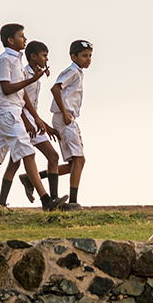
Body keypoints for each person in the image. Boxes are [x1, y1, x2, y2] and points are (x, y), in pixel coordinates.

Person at [0, 24, 68, 213]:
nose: (25, 39)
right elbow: (6, 89)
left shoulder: (17, 62)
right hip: (7, 111)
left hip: (11, 111)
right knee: (27, 153)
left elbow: (23, 95)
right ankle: (46, 200)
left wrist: (36, 116)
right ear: (10, 41)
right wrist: (32, 79)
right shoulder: (5, 60)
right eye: (21, 36)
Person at [0, 41, 72, 210]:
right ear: (33, 57)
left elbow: (31, 107)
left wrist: (43, 123)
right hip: (23, 123)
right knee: (15, 162)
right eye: (44, 55)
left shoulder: (36, 76)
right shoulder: (24, 74)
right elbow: (19, 101)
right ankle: (2, 203)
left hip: (32, 123)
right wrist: (29, 122)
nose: (46, 59)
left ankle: (53, 199)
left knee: (52, 157)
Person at [47, 40, 92, 210]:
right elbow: (55, 89)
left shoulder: (78, 72)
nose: (88, 59)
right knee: (79, 159)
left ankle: (35, 177)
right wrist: (65, 114)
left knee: (76, 163)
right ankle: (73, 202)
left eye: (90, 56)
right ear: (74, 57)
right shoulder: (72, 71)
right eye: (84, 56)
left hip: (69, 118)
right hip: (65, 118)